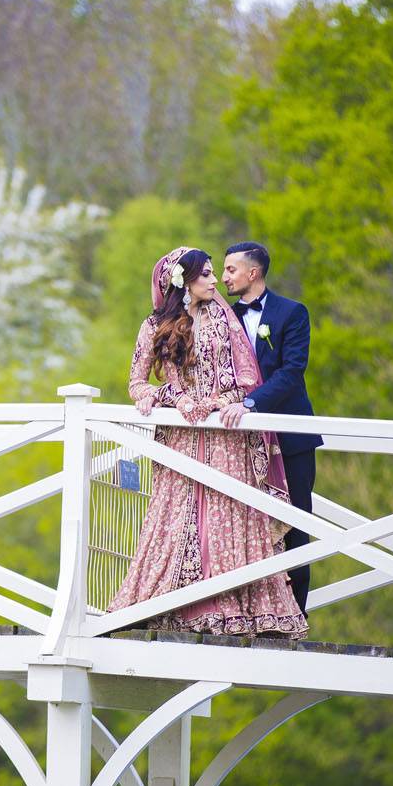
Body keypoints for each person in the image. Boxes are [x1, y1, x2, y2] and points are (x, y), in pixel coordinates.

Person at [106, 246, 307, 638]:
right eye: (207, 275)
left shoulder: (224, 320)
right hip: (181, 437)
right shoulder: (153, 326)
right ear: (183, 282)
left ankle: (232, 608)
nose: (216, 282)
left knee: (225, 513)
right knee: (177, 516)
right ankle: (165, 603)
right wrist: (166, 396)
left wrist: (220, 402)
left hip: (222, 437)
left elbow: (246, 380)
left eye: (219, 273)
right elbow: (136, 381)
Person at [218, 241, 321, 613]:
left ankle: (296, 613)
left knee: (294, 521)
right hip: (241, 444)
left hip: (290, 437)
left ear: (253, 272)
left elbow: (292, 373)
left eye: (230, 269)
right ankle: (250, 612)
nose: (224, 276)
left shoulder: (292, 313)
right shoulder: (222, 319)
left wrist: (250, 403)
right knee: (242, 524)